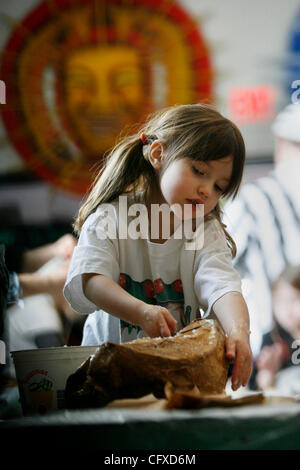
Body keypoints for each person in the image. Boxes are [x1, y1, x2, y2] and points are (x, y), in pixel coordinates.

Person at [64, 104, 252, 391]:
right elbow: (91, 280)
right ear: (157, 155)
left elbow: (223, 285)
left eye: (219, 187)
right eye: (199, 171)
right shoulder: (110, 218)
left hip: (179, 381)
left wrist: (239, 331)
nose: (206, 190)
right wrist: (140, 312)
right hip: (106, 380)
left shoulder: (203, 229)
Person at [224, 103, 300, 358]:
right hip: (268, 349)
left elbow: (220, 270)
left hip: (264, 350)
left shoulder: (250, 199)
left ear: (281, 147)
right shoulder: (254, 200)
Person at [252, 265, 300, 391]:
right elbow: (261, 388)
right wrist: (267, 372)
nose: (286, 308)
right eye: (279, 301)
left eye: (293, 299)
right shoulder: (271, 340)